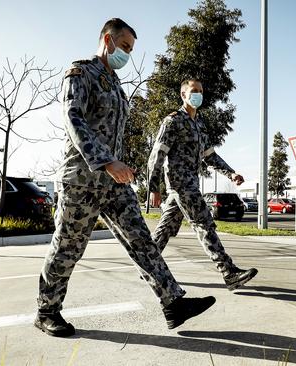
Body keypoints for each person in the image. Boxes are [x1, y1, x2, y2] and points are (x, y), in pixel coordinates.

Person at [35, 19, 215, 337]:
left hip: (115, 183)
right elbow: (72, 116)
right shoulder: (81, 72)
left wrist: (123, 166)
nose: (127, 54)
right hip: (82, 180)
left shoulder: (115, 84)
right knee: (69, 246)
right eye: (125, 47)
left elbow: (114, 133)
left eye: (131, 49)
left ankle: (173, 304)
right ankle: (47, 310)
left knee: (142, 241)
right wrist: (105, 162)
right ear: (108, 39)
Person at [148, 79, 258, 291]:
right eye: (193, 91)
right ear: (183, 95)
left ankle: (146, 266)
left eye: (200, 90)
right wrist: (154, 187)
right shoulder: (172, 121)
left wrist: (231, 173)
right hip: (181, 184)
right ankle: (228, 272)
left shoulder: (199, 124)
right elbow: (157, 155)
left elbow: (210, 156)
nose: (197, 94)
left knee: (164, 230)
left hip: (187, 185)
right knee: (204, 224)